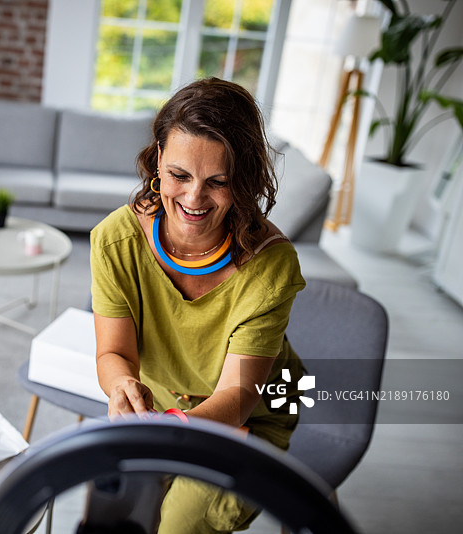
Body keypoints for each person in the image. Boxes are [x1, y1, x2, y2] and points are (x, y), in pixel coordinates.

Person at [90, 77, 307, 533]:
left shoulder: (271, 267)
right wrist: (121, 386)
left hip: (248, 417)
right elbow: (115, 354)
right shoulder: (115, 241)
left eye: (218, 182)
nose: (192, 198)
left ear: (242, 181)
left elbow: (240, 395)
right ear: (158, 164)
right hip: (163, 408)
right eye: (179, 175)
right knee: (118, 518)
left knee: (176, 526)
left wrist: (171, 431)